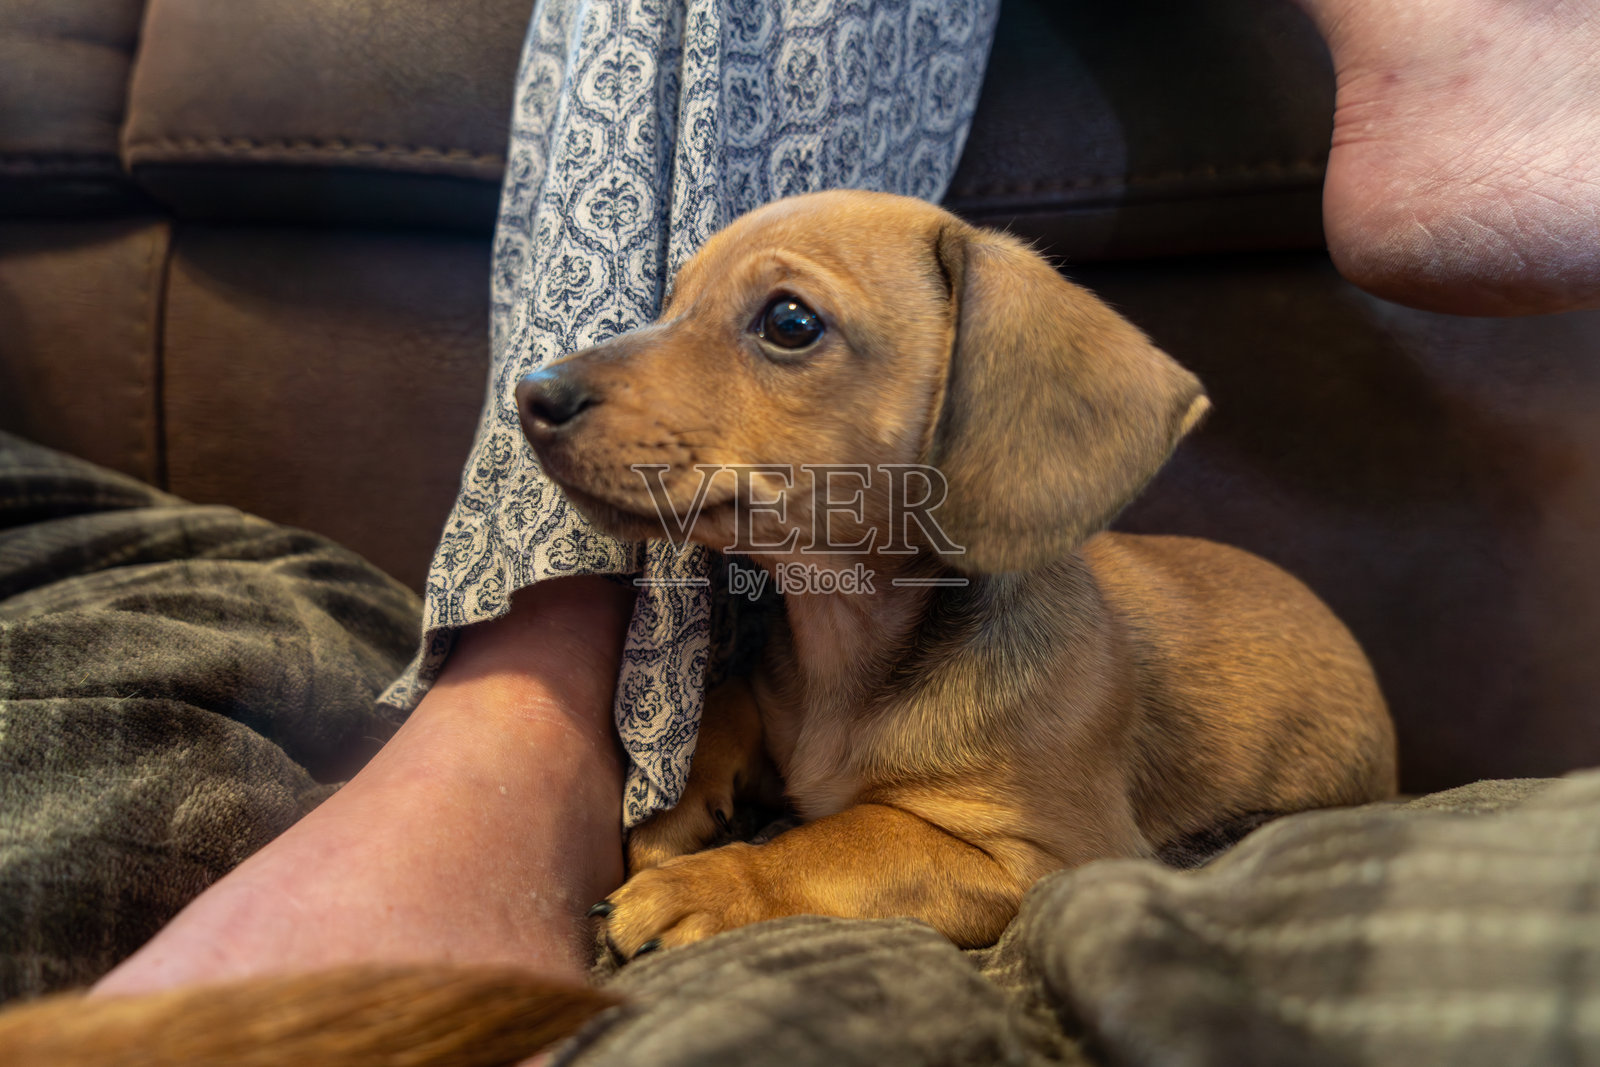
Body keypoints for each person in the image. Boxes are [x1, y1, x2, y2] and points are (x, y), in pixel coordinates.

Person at [93, 0, 1600, 998]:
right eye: (681, 319)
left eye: (785, 327)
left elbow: (1038, 864)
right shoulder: (768, 641)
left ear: (981, 406)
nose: (572, 389)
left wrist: (772, 881)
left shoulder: (1038, 685)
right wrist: (719, 749)